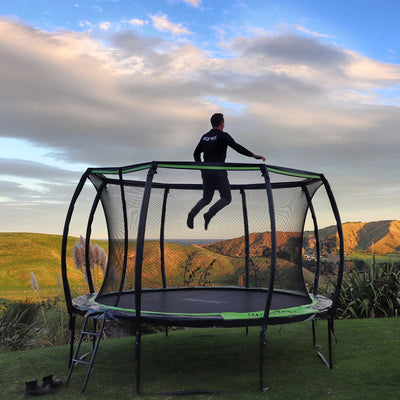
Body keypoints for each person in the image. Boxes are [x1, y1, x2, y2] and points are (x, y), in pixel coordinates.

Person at [187, 113, 266, 230]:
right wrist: (253, 155)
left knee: (206, 199)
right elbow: (237, 147)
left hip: (206, 172)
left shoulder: (204, 137)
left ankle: (191, 214)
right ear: (221, 123)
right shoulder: (223, 135)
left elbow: (196, 154)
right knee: (226, 198)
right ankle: (208, 214)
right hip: (219, 172)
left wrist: (202, 169)